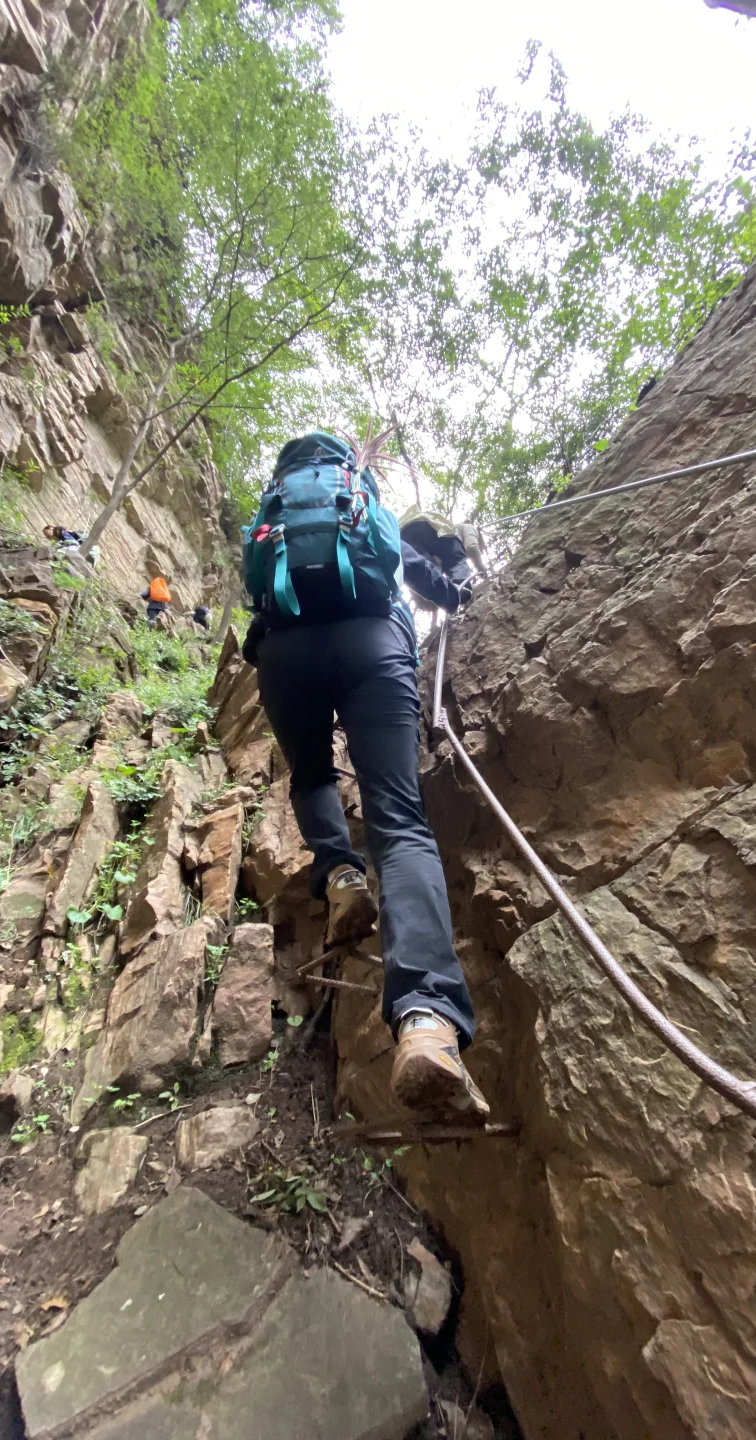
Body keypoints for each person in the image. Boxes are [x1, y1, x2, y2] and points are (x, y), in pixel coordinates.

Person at [241, 431, 488, 1121]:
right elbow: (406, 571)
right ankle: (427, 1024)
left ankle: (342, 877)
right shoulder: (359, 499)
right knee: (400, 822)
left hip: (284, 652)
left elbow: (255, 587)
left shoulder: (277, 511)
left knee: (312, 773)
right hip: (373, 640)